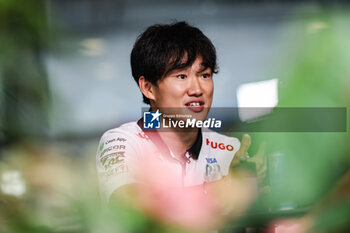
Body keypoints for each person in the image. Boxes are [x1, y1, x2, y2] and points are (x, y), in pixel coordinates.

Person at [96, 22, 263, 224]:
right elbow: (127, 206)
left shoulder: (230, 149)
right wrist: (222, 190)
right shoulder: (122, 141)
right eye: (181, 76)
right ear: (148, 88)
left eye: (204, 75)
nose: (197, 89)